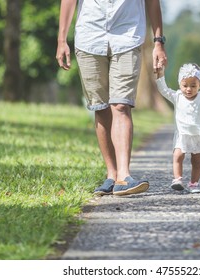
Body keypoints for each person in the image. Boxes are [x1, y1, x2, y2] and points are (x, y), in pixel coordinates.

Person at [56, 0, 167, 196]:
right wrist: (62, 40)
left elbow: (152, 2)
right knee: (100, 107)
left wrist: (158, 42)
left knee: (121, 105)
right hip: (89, 37)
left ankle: (124, 175)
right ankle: (111, 175)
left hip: (128, 37)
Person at [156, 62, 200, 193]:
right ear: (179, 85)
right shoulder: (177, 97)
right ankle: (177, 180)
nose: (189, 89)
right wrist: (160, 75)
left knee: (197, 161)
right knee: (177, 156)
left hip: (198, 135)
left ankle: (194, 183)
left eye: (193, 86)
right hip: (182, 134)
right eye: (185, 85)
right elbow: (164, 90)